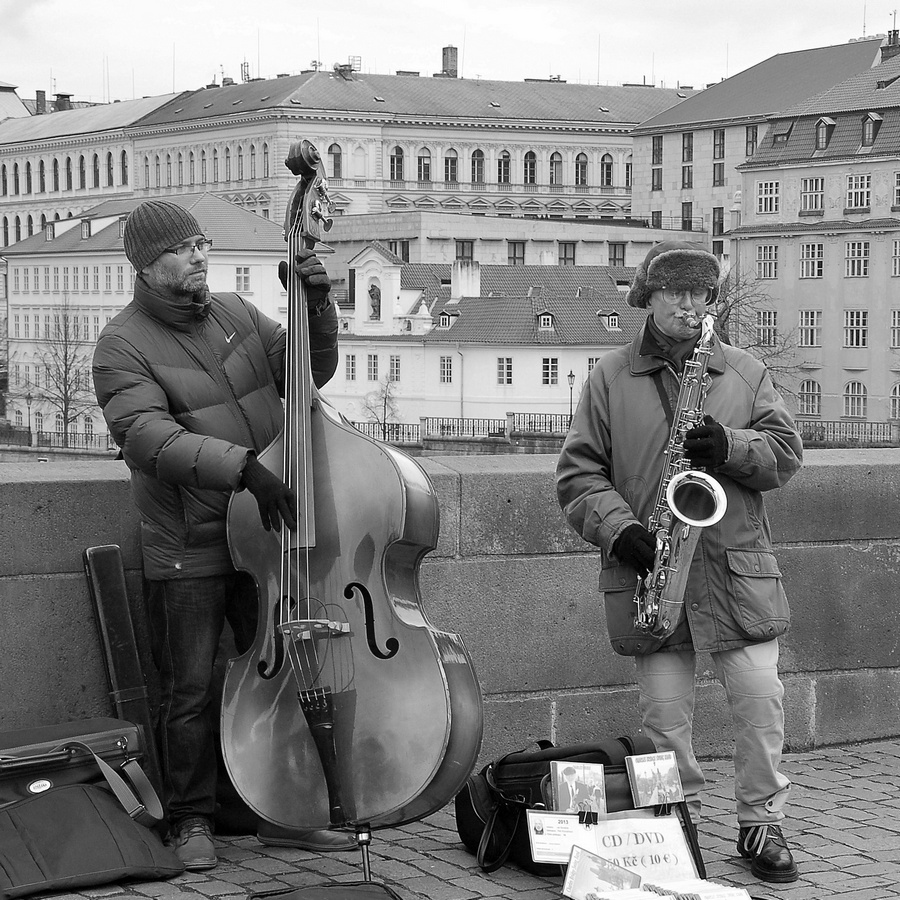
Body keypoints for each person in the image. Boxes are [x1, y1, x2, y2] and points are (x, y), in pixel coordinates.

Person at [92, 198, 354, 870]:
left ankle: (285, 813)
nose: (200, 256)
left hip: (264, 538)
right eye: (183, 248)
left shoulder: (236, 313)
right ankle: (191, 822)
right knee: (190, 690)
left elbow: (306, 373)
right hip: (190, 543)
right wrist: (244, 469)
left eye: (202, 243)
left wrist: (315, 304)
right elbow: (148, 439)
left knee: (286, 674)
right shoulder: (120, 344)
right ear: (148, 267)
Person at [556, 241, 803, 885]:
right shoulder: (610, 377)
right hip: (654, 572)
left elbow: (784, 454)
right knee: (664, 716)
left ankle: (761, 822)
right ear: (648, 298)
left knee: (760, 704)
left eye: (702, 294)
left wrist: (732, 447)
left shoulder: (744, 372)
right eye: (677, 293)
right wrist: (620, 530)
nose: (691, 305)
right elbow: (579, 475)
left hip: (732, 572)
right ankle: (674, 825)